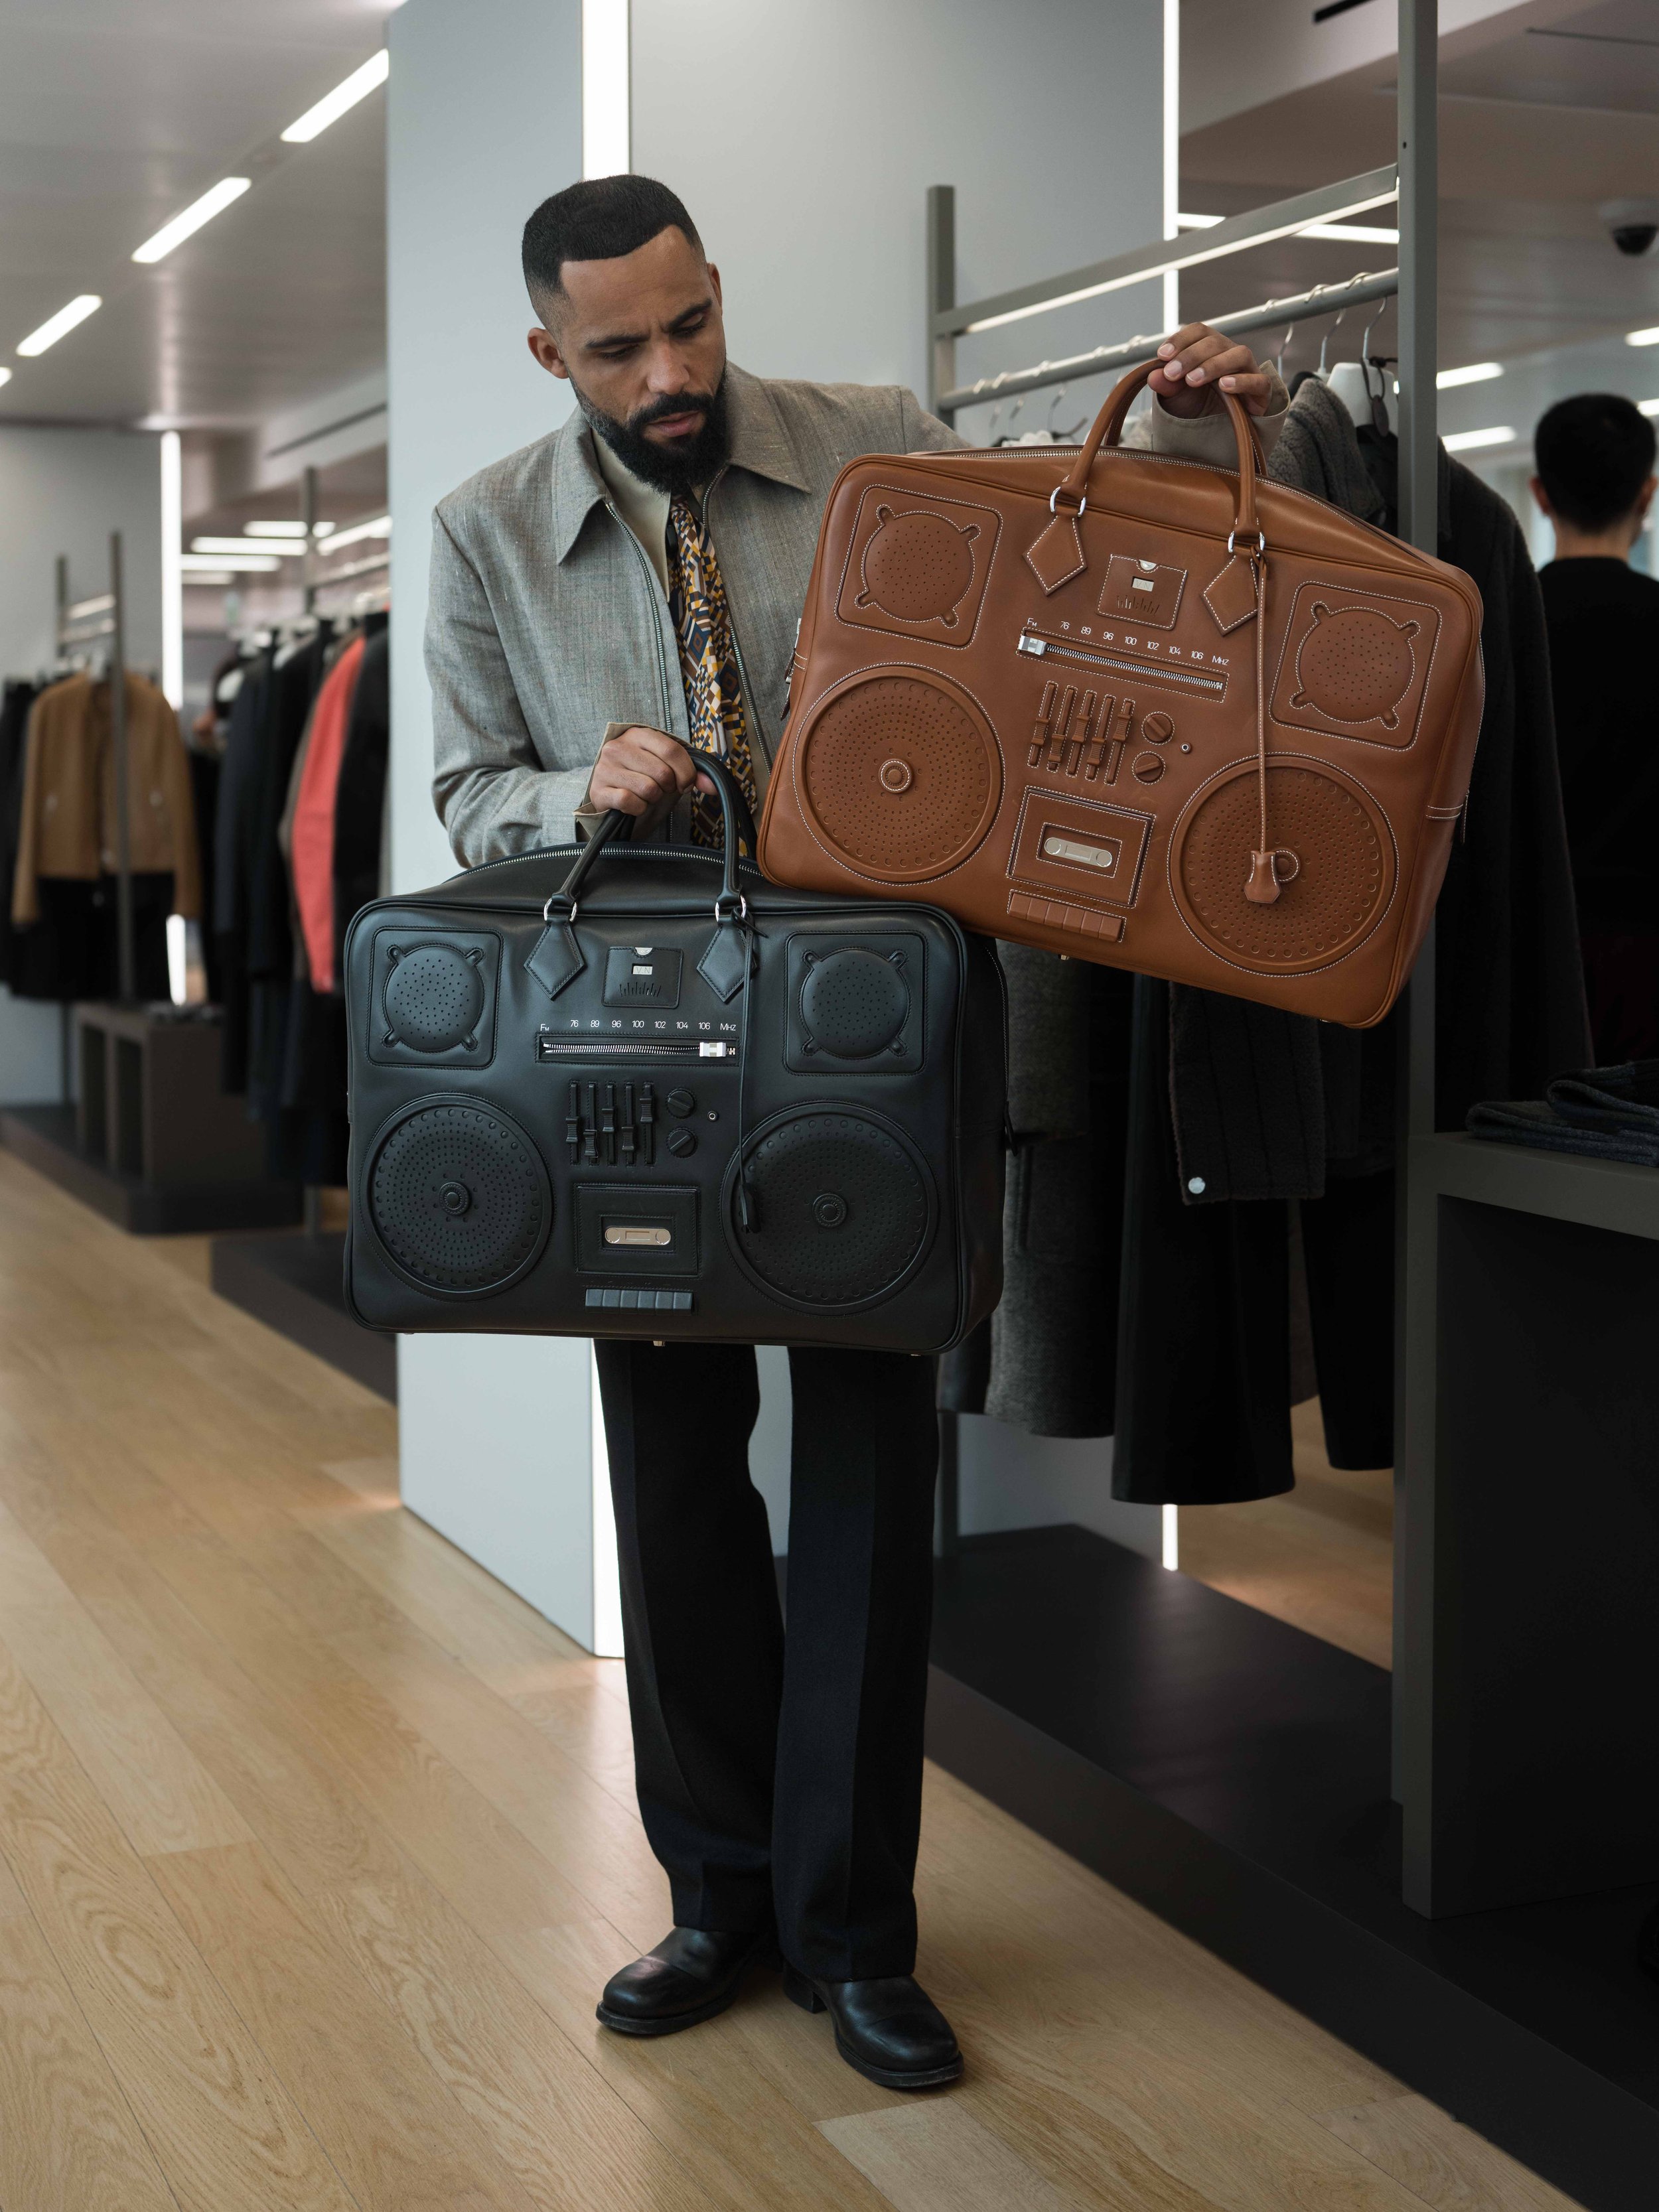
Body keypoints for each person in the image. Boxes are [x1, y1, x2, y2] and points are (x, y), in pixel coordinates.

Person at [425, 172, 1286, 2089]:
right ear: (549, 349)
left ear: (715, 292)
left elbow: (1089, 563)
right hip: (637, 1081)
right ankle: (717, 1893)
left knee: (872, 1496)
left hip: (872, 1059)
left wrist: (1189, 409)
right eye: (623, 346)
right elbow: (467, 789)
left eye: (692, 322)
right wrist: (584, 782)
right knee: (671, 1484)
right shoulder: (487, 531)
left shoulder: (886, 444)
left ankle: (852, 1928)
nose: (671, 372)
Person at [1533, 393, 1659, 1062]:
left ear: (1539, 493)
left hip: (1526, 949)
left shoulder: (1502, 628)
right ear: (1648, 492)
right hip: (1648, 959)